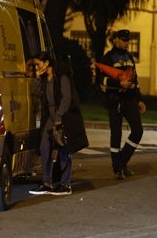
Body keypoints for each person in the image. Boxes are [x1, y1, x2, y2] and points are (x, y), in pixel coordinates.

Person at [29, 51, 89, 196]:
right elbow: (37, 94)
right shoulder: (44, 79)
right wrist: (37, 78)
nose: (36, 67)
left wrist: (59, 117)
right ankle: (47, 182)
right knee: (44, 147)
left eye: (38, 64)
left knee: (63, 148)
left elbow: (66, 98)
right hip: (49, 116)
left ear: (47, 63)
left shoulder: (62, 77)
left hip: (63, 116)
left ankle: (65, 184)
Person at [99, 29, 146, 180]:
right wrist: (119, 83)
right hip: (115, 100)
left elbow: (135, 80)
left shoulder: (129, 57)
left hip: (130, 100)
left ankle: (122, 161)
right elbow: (101, 82)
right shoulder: (108, 57)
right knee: (116, 134)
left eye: (128, 40)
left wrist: (139, 99)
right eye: (124, 40)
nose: (127, 43)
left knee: (137, 131)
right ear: (116, 40)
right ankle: (117, 168)